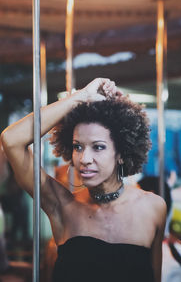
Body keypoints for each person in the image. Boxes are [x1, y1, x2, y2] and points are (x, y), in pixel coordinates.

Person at [1, 78, 167, 282]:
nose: (84, 159)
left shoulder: (153, 208)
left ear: (121, 153)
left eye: (98, 147)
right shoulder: (63, 207)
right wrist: (79, 98)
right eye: (78, 147)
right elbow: (11, 140)